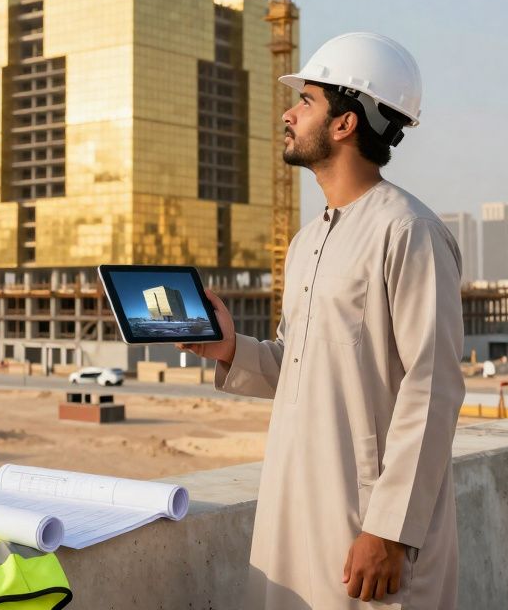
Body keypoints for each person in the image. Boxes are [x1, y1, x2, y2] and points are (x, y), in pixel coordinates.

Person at [179, 33, 465, 609]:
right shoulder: (308, 241)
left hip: (367, 524)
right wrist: (232, 350)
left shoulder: (408, 232)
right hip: (294, 510)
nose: (288, 112)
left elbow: (432, 386)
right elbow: (300, 366)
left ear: (345, 123)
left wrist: (388, 530)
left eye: (305, 100)